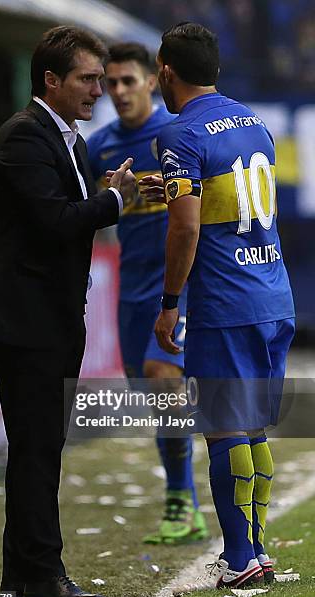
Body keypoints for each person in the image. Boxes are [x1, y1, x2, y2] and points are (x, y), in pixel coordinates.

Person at [0, 26, 135, 597]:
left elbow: (65, 214)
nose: (99, 90)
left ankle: (21, 573)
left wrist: (103, 194)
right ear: (51, 80)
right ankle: (42, 573)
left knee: (37, 448)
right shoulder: (24, 137)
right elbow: (58, 221)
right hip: (27, 322)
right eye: (88, 79)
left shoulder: (69, 140)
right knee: (38, 449)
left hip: (53, 317)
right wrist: (114, 201)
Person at [140, 22, 295, 592]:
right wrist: (176, 188)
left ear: (165, 72)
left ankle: (240, 557)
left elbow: (185, 230)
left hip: (225, 303)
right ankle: (255, 547)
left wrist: (170, 303)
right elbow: (227, 195)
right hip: (273, 294)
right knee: (251, 429)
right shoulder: (254, 122)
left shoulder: (179, 134)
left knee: (225, 432)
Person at [87, 43, 208, 545]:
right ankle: (185, 500)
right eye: (110, 83)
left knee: (163, 381)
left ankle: (183, 502)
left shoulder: (175, 133)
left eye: (127, 81)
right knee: (152, 396)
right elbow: (84, 212)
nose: (118, 92)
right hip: (129, 292)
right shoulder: (98, 148)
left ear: (152, 81)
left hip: (173, 290)